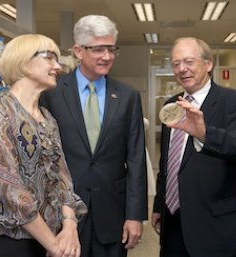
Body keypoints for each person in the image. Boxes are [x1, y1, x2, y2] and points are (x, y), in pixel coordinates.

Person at [40, 15, 148, 257]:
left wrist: (135, 215)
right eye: (98, 49)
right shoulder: (52, 93)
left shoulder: (128, 96)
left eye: (111, 49)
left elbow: (136, 160)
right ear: (78, 51)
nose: (107, 56)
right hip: (62, 213)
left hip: (113, 213)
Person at [0, 34, 87, 257]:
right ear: (24, 61)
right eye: (50, 58)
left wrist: (70, 226)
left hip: (51, 239)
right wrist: (54, 246)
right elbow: (10, 189)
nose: (58, 66)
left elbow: (64, 180)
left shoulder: (47, 118)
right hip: (11, 242)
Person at [151, 37, 236, 257]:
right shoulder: (171, 104)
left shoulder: (234, 101)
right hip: (173, 221)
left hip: (215, 226)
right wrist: (158, 205)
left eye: (189, 61)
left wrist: (204, 133)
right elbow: (168, 163)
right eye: (176, 63)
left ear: (208, 64)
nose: (182, 69)